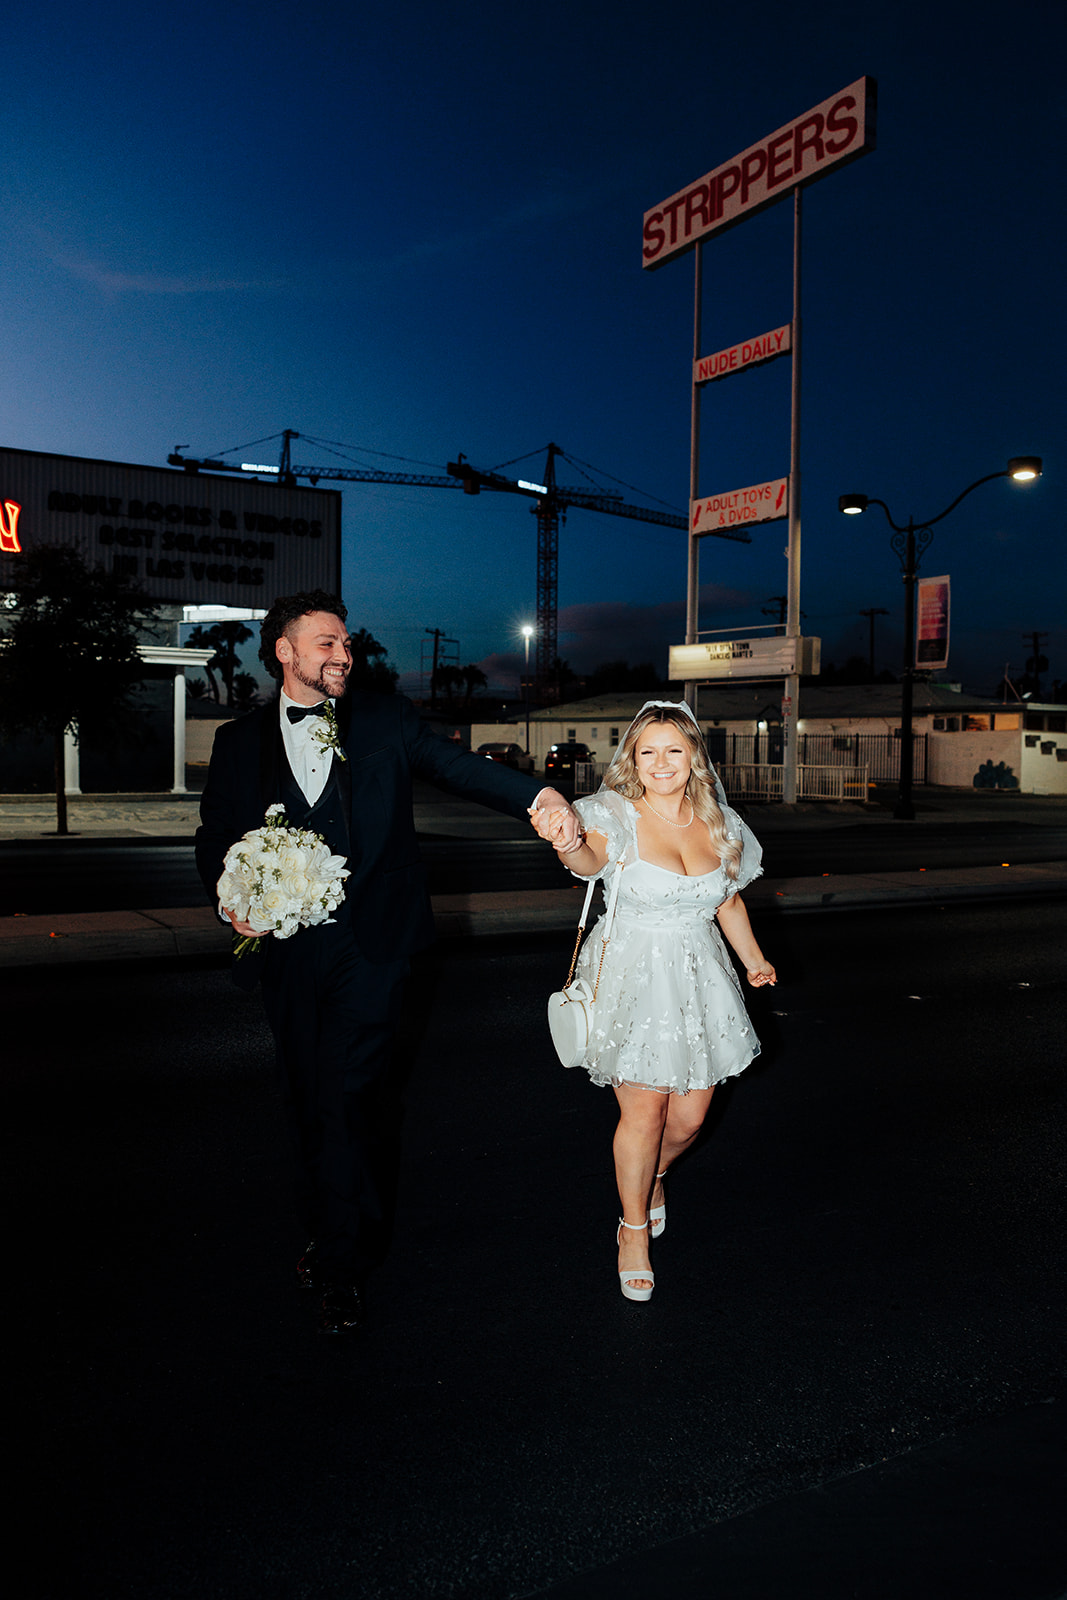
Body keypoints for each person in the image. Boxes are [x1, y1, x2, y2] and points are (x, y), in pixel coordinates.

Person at [195, 590, 581, 1334]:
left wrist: (538, 795)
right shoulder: (237, 741)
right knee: (303, 1095)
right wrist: (228, 901)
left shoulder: (383, 719)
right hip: (284, 951)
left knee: (350, 1095)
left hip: (369, 945)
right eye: (327, 643)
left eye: (346, 644)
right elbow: (217, 834)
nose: (344, 655)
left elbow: (457, 766)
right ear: (285, 651)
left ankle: (345, 1262)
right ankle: (326, 1224)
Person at [531, 700, 775, 1302]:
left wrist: (754, 961)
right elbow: (588, 859)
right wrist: (566, 841)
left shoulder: (718, 819)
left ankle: (655, 1178)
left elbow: (728, 902)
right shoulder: (613, 813)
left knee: (690, 1120)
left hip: (701, 976)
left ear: (693, 755)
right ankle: (632, 1229)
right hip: (634, 976)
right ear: (632, 760)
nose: (661, 763)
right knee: (644, 1114)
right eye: (648, 751)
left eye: (673, 749)